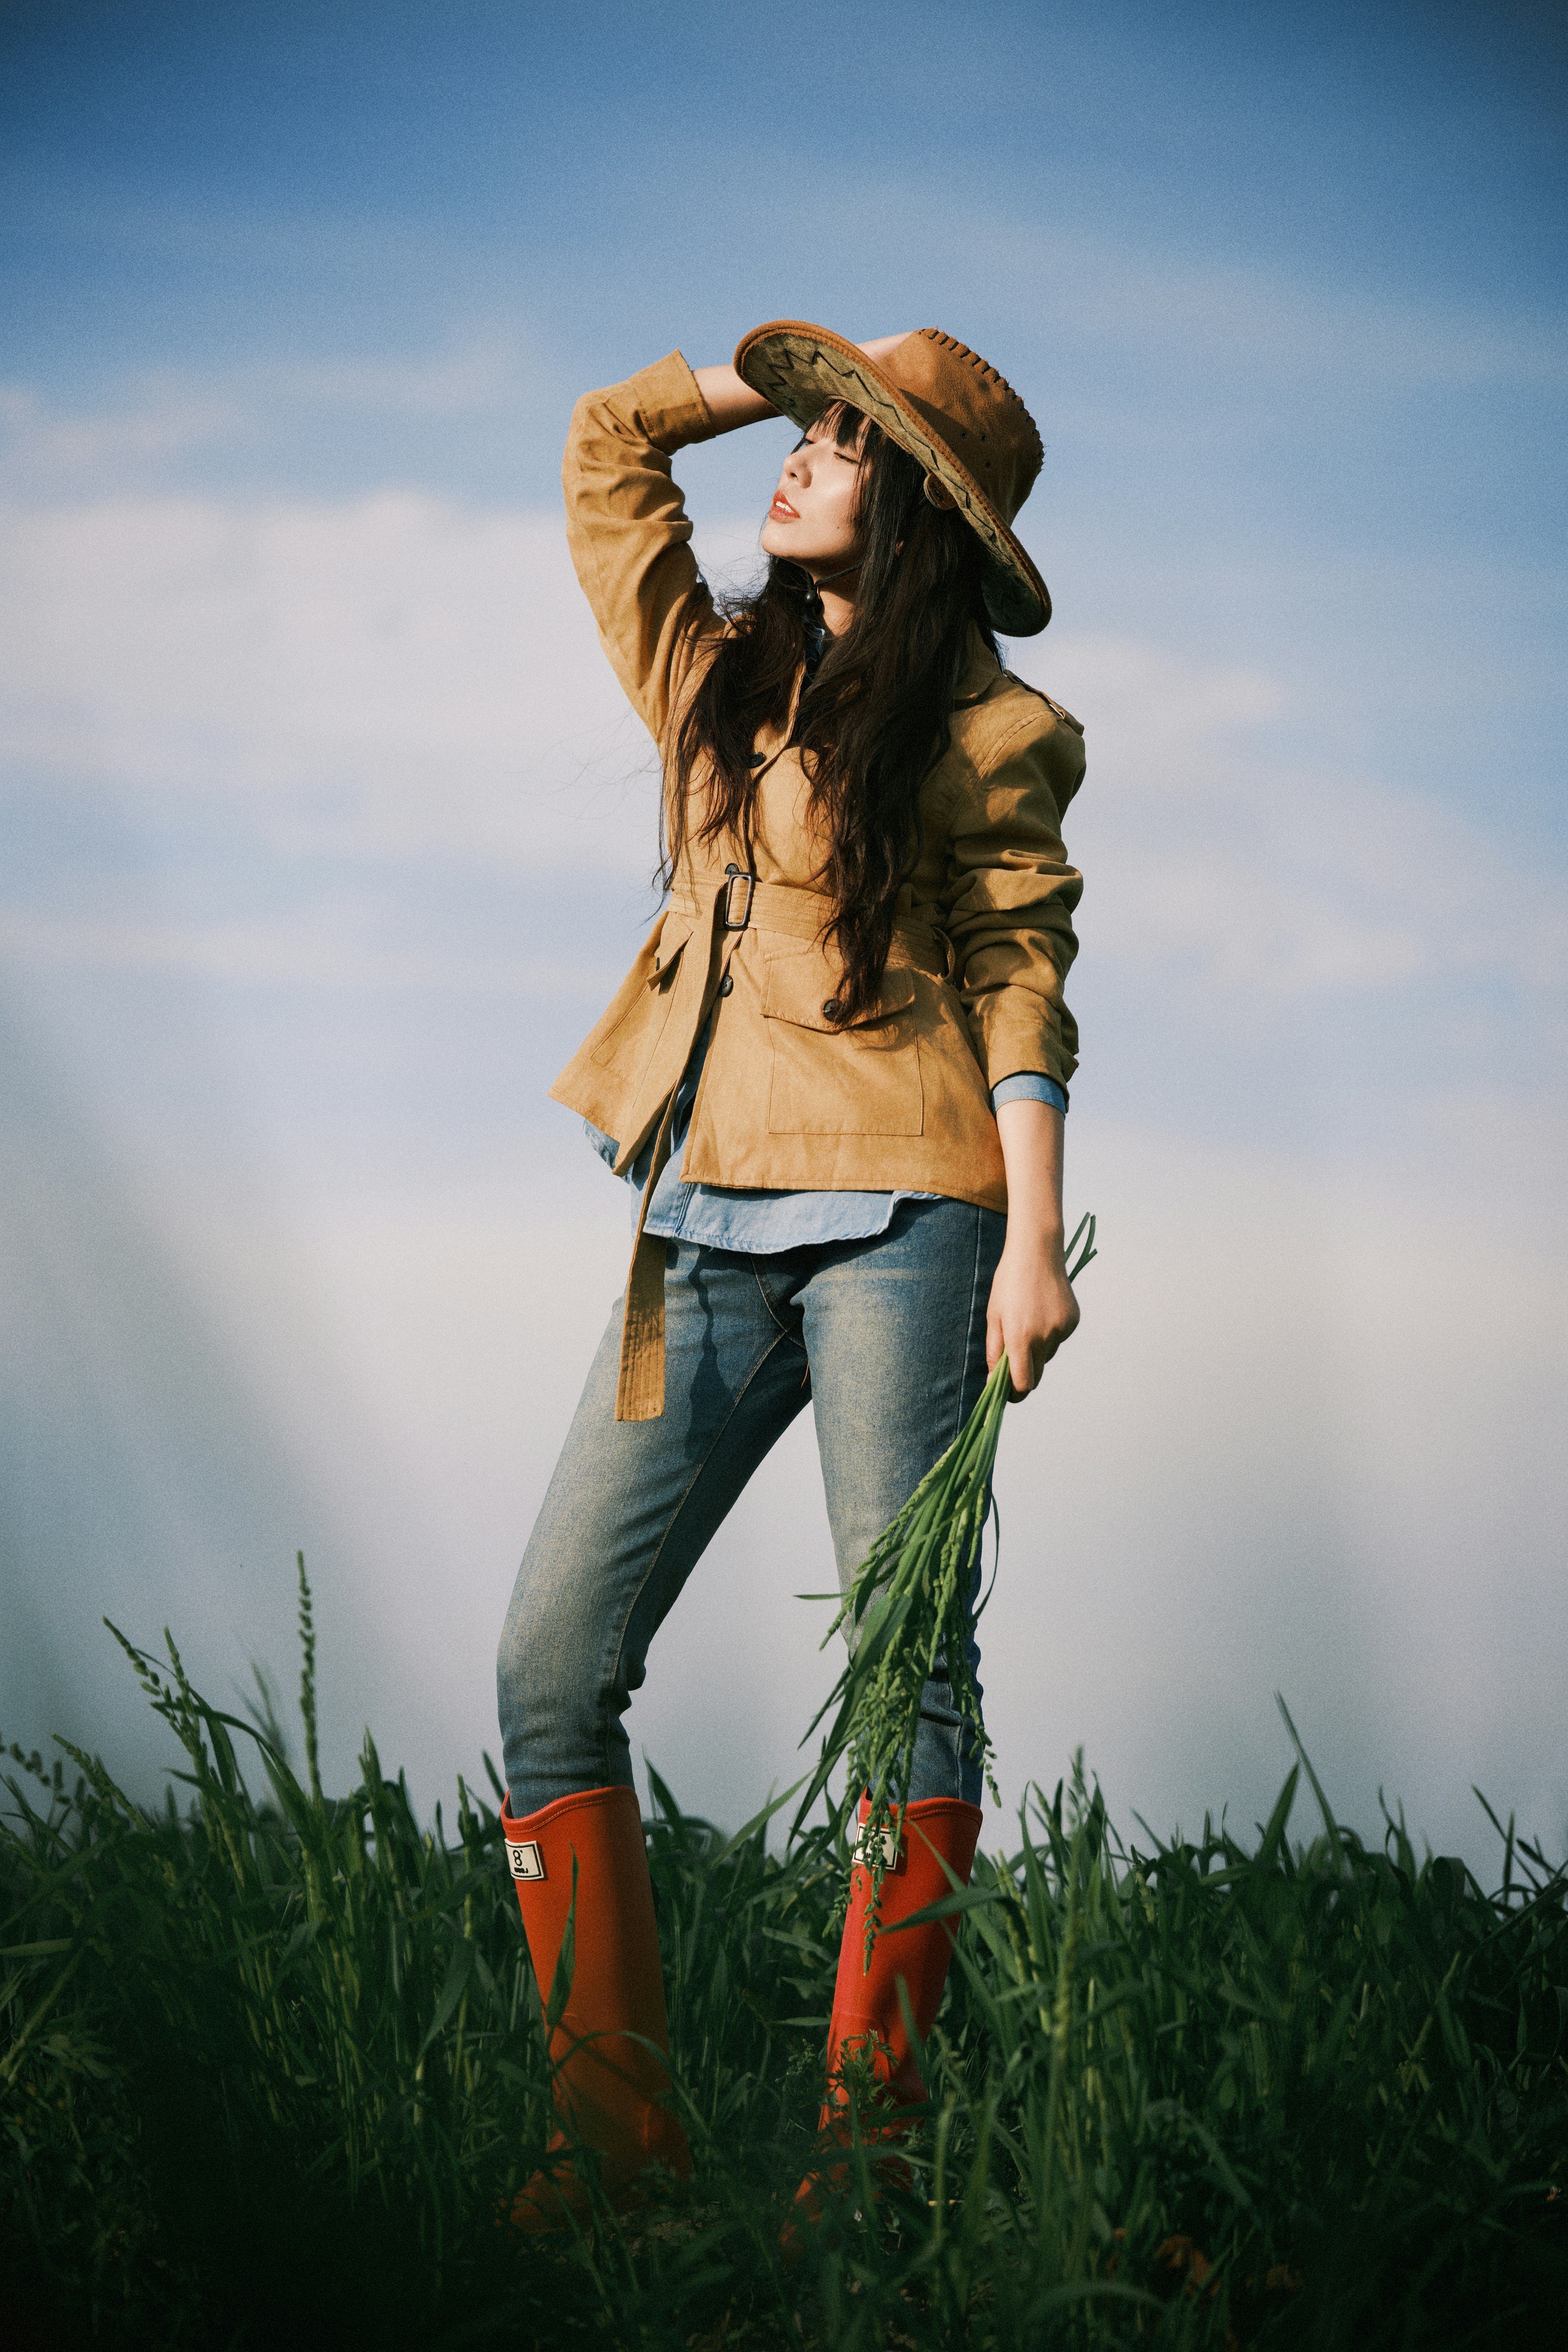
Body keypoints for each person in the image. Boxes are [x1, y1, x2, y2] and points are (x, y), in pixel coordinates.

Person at [494, 321, 1086, 2228]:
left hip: (915, 1217)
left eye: (853, 443)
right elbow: (606, 450)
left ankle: (871, 2170)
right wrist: (760, 380)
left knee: (907, 1681)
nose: (804, 459)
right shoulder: (711, 672)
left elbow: (1017, 972)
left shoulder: (987, 729)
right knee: (549, 1670)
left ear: (917, 511)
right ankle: (618, 2157)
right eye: (813, 430)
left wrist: (1030, 1248)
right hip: (701, 1221)